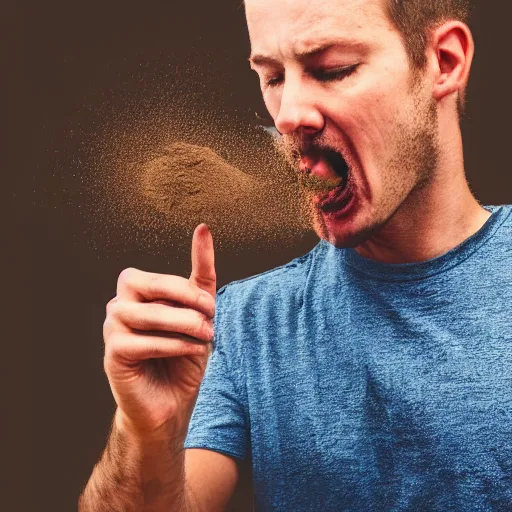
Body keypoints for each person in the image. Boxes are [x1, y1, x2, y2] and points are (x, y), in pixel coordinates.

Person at [79, 0, 512, 510]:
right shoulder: (243, 324)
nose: (287, 117)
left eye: (332, 70)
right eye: (272, 77)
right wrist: (145, 435)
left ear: (444, 62)